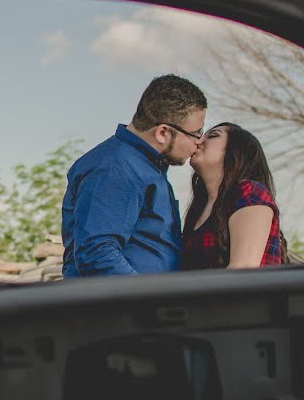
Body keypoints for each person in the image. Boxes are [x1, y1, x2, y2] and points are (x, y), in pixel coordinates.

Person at [62, 74, 208, 277]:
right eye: (196, 133)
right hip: (126, 307)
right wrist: (149, 301)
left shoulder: (141, 166)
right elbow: (97, 254)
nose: (199, 142)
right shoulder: (116, 168)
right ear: (163, 133)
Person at [181, 123, 287, 270]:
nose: (198, 141)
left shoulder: (250, 193)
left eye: (212, 136)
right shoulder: (199, 208)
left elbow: (243, 270)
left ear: (235, 151)